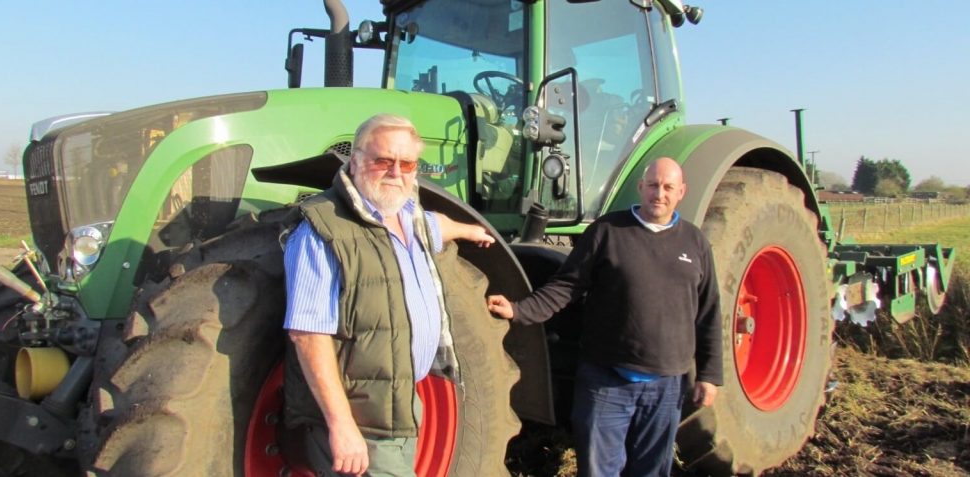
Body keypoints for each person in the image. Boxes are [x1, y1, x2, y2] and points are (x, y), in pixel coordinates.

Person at [280, 113, 494, 476]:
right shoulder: (323, 231)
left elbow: (434, 225)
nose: (397, 172)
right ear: (355, 160)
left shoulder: (406, 215)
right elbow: (307, 335)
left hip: (399, 401)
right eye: (383, 161)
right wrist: (341, 425)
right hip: (361, 419)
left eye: (408, 163)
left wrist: (469, 229)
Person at [487, 157, 722, 477]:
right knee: (599, 470)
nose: (659, 193)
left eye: (668, 187)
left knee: (651, 471)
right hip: (607, 381)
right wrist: (520, 309)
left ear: (682, 191)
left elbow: (708, 311)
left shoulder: (695, 242)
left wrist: (709, 374)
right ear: (641, 187)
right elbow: (566, 286)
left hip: (666, 386)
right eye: (653, 185)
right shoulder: (608, 231)